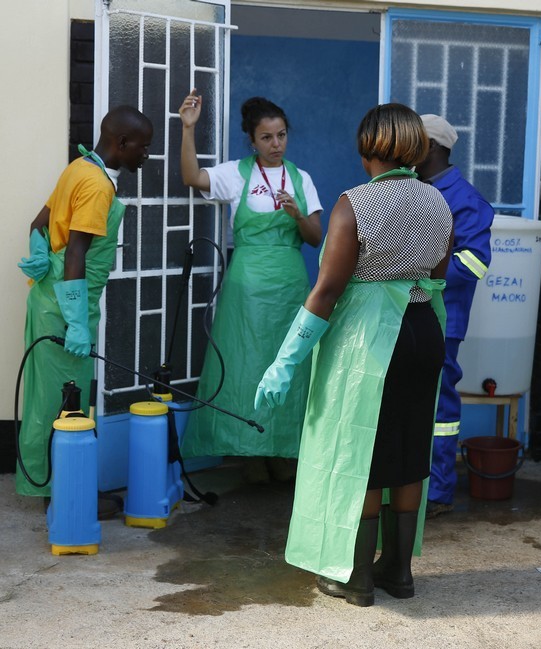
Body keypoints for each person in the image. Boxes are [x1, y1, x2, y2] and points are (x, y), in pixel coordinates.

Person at [255, 103, 453, 606]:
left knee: (361, 453)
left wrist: (284, 362)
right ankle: (399, 572)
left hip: (368, 342)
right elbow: (438, 276)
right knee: (408, 452)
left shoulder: (354, 205)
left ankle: (356, 576)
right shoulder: (438, 202)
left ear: (368, 150)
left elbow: (326, 292)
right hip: (422, 332)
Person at [177, 91, 323, 482]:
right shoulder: (237, 173)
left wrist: (297, 214)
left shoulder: (301, 178)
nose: (276, 144)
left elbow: (315, 237)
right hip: (246, 289)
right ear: (252, 140)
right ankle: (250, 452)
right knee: (246, 364)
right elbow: (192, 177)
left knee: (289, 364)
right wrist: (188, 129)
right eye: (267, 137)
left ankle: (283, 449)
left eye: (282, 135)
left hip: (290, 287)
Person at [16, 106, 153, 499]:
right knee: (64, 404)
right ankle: (62, 495)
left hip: (48, 298)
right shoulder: (97, 186)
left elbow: (38, 224)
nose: (146, 155)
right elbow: (76, 253)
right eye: (142, 147)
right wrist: (76, 323)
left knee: (46, 398)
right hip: (65, 308)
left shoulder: (79, 168)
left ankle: (50, 487)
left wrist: (39, 250)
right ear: (121, 143)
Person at [415, 114, 493, 518]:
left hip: (445, 318)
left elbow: (475, 261)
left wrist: (420, 271)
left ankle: (438, 493)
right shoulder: (412, 189)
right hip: (411, 313)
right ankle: (410, 486)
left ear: (431, 146)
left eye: (412, 141)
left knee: (439, 408)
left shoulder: (465, 198)